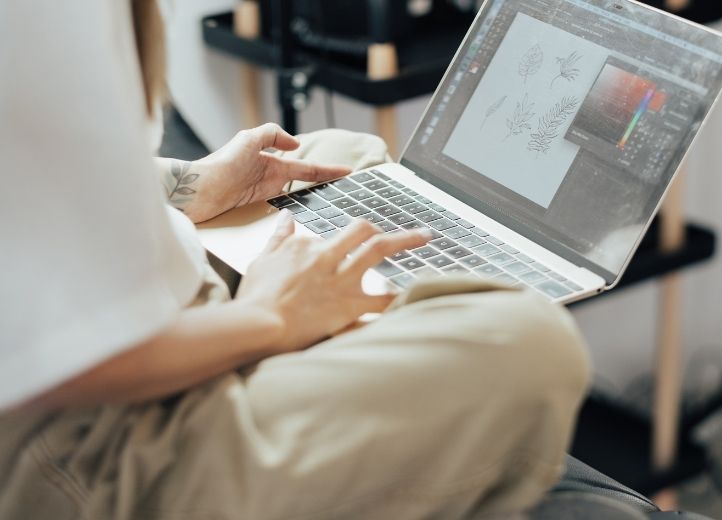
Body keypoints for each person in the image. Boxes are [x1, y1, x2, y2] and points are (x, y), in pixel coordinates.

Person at [0, 1, 590, 518]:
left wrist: (194, 184)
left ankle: (345, 350)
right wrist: (270, 317)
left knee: (339, 157)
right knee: (534, 344)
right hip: (91, 440)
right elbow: (62, 363)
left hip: (143, 310)